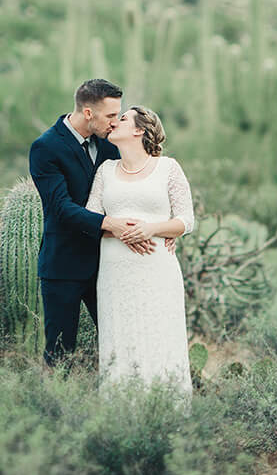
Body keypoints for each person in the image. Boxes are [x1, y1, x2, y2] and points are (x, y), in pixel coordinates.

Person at [28, 79, 161, 367]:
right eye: (111, 116)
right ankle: (54, 409)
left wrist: (159, 226)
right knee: (60, 354)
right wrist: (111, 224)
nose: (116, 123)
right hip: (63, 265)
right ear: (88, 113)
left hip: (110, 265)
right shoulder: (45, 148)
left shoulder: (110, 144)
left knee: (123, 343)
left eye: (119, 115)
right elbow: (62, 208)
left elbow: (137, 184)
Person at [86, 106, 194, 396]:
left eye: (122, 119)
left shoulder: (168, 168)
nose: (114, 123)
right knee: (120, 339)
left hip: (156, 271)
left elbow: (186, 220)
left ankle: (167, 411)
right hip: (115, 274)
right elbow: (90, 219)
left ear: (139, 130)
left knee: (159, 336)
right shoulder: (106, 171)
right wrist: (120, 230)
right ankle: (120, 416)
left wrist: (151, 229)